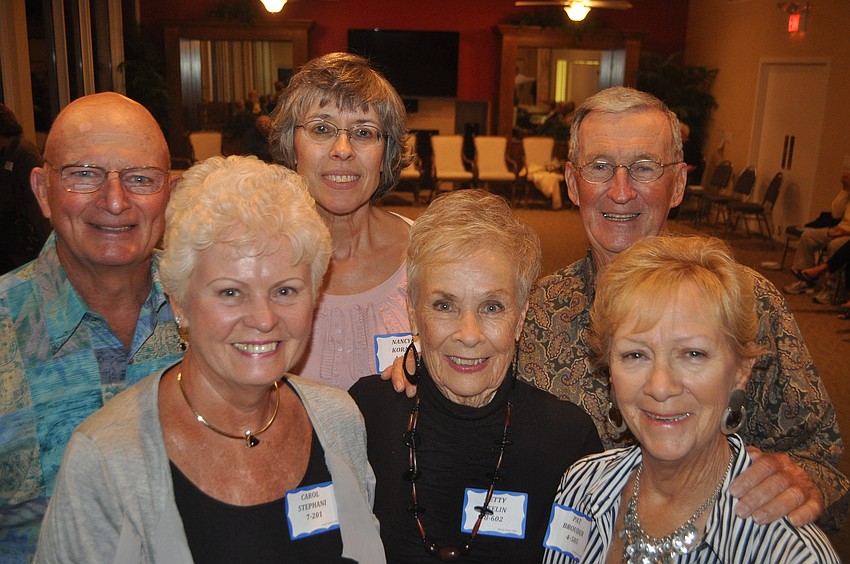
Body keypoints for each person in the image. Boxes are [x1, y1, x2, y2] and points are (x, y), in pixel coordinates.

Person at [518, 86, 848, 532]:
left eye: (644, 168)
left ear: (678, 184)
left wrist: (803, 481)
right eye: (600, 167)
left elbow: (822, 457)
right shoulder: (536, 310)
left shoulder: (748, 301)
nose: (620, 191)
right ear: (573, 183)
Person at [36, 155, 386, 563]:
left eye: (286, 291)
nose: (263, 319)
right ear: (179, 303)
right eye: (231, 292)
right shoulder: (107, 458)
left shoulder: (338, 421)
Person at [541, 235, 838, 563]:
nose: (661, 386)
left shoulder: (790, 552)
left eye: (693, 354)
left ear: (740, 371)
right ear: (610, 371)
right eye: (635, 355)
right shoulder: (581, 487)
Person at [350, 189, 601, 563]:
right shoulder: (366, 416)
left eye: (492, 306)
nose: (469, 334)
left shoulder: (568, 441)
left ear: (520, 316)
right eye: (444, 305)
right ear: (414, 311)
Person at [0, 92, 183, 561]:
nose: (115, 201)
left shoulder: (218, 314)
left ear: (171, 194)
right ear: (42, 191)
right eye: (85, 175)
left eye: (141, 179)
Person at [270, 52, 414, 389]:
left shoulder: (428, 253)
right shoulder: (255, 257)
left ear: (386, 153)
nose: (343, 149)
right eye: (322, 129)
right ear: (292, 146)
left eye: (364, 133)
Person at [783, 170, 850, 304]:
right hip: (838, 228)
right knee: (808, 236)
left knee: (835, 245)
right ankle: (804, 280)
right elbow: (836, 214)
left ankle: (831, 290)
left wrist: (845, 233)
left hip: (847, 234)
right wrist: (845, 190)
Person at [0, 103, 51, 273]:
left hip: (28, 242)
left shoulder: (24, 152)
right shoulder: (7, 152)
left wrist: (45, 246)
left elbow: (37, 202)